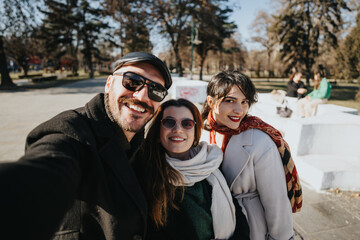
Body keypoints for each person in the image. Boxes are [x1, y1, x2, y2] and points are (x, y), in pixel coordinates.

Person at [0, 52, 172, 240]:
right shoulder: (71, 132)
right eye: (132, 81)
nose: (142, 96)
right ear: (109, 84)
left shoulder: (141, 147)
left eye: (156, 90)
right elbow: (42, 176)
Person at [201, 70, 303, 240]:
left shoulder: (260, 141)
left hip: (249, 226)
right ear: (211, 102)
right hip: (211, 222)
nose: (239, 110)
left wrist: (282, 237)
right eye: (230, 101)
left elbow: (276, 201)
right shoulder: (199, 132)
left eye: (244, 101)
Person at [136, 98, 249, 240]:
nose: (178, 129)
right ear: (158, 130)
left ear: (195, 131)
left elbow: (239, 221)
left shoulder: (210, 164)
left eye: (187, 124)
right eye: (169, 122)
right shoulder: (145, 173)